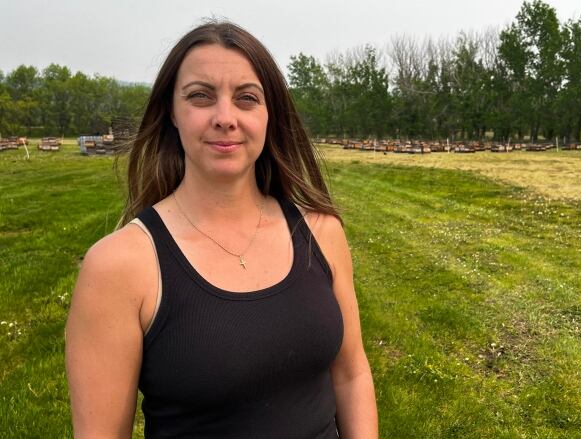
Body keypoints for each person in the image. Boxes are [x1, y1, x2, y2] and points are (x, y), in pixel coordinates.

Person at [65, 21, 378, 438]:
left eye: (247, 98)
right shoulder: (120, 266)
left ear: (270, 116)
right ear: (172, 114)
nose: (225, 118)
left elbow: (351, 373)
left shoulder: (321, 233)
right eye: (200, 96)